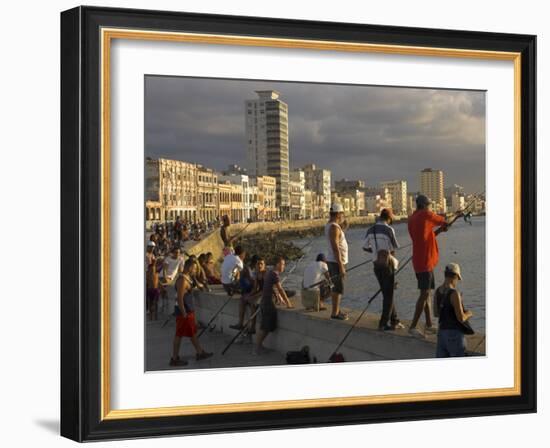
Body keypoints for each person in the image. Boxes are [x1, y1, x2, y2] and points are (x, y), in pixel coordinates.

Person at [407, 194, 451, 337]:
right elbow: (444, 221)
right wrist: (447, 223)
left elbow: (425, 237)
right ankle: (413, 326)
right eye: (429, 205)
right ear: (425, 205)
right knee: (425, 293)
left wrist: (439, 231)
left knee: (426, 293)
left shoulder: (412, 218)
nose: (430, 207)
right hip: (425, 261)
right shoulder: (426, 215)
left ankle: (429, 325)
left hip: (418, 261)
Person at [363, 208, 404, 331]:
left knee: (386, 293)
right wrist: (395, 267)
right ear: (389, 218)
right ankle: (383, 323)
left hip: (376, 265)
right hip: (387, 266)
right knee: (389, 294)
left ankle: (394, 320)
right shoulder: (389, 230)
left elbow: (365, 247)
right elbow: (393, 249)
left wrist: (374, 251)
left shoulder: (371, 229)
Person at [169, 259, 213, 366]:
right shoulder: (182, 280)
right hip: (184, 312)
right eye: (194, 268)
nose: (195, 270)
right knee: (179, 335)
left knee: (192, 333)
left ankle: (200, 352)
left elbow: (198, 285)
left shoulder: (188, 278)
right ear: (189, 267)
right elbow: (179, 299)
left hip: (188, 310)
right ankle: (174, 359)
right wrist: (184, 313)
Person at [254, 256, 292, 355]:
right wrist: (288, 302)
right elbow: (280, 289)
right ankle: (257, 348)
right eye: (283, 264)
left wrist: (280, 299)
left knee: (265, 327)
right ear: (277, 264)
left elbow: (273, 288)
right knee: (265, 327)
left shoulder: (270, 273)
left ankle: (259, 346)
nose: (284, 266)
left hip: (265, 302)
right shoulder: (274, 274)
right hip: (267, 304)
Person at [434, 263, 473, 357]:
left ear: (445, 274)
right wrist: (469, 313)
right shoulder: (454, 293)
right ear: (455, 276)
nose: (457, 282)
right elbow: (461, 318)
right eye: (457, 279)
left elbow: (436, 313)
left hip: (442, 333)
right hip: (454, 334)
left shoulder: (437, 291)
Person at [325, 203, 349, 320]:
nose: (343, 215)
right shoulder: (334, 227)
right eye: (342, 213)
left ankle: (337, 310)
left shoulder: (332, 225)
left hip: (334, 261)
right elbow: (335, 247)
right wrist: (341, 266)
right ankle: (335, 313)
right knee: (338, 288)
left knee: (337, 287)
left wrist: (343, 227)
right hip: (336, 262)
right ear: (339, 214)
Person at [145, 257, 160, 321]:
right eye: (151, 269)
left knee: (155, 304)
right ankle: (151, 317)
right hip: (150, 289)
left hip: (155, 290)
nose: (152, 270)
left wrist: (162, 287)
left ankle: (155, 317)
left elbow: (158, 282)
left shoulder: (156, 274)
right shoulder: (147, 274)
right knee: (150, 303)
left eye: (153, 269)